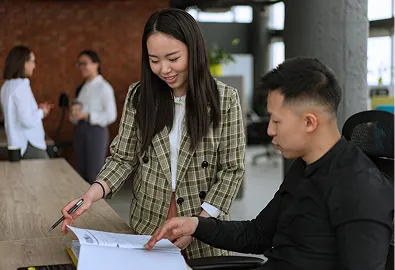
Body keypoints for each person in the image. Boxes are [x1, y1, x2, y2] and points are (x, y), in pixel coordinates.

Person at [145, 57, 395, 270]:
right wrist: (196, 224)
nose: (269, 130)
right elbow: (257, 235)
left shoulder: (361, 189)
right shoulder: (305, 165)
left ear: (309, 122)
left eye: (276, 121)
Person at [60, 8, 246, 259]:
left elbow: (231, 170)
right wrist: (91, 194)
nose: (164, 69)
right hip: (146, 229)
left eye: (173, 58)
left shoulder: (225, 99)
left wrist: (199, 224)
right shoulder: (139, 96)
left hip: (205, 233)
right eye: (154, 60)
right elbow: (123, 158)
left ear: (194, 50)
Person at [70, 50, 117, 184]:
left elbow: (111, 115)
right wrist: (75, 115)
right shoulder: (82, 87)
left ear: (96, 64)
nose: (82, 67)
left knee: (94, 174)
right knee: (81, 173)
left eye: (85, 63)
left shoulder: (104, 87)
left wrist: (88, 115)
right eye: (79, 64)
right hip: (80, 130)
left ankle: (97, 205)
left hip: (96, 132)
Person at [0, 45, 52, 159]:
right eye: (32, 61)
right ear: (23, 62)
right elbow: (27, 121)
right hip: (30, 144)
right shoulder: (21, 86)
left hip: (16, 145)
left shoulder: (6, 86)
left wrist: (35, 109)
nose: (34, 65)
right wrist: (42, 112)